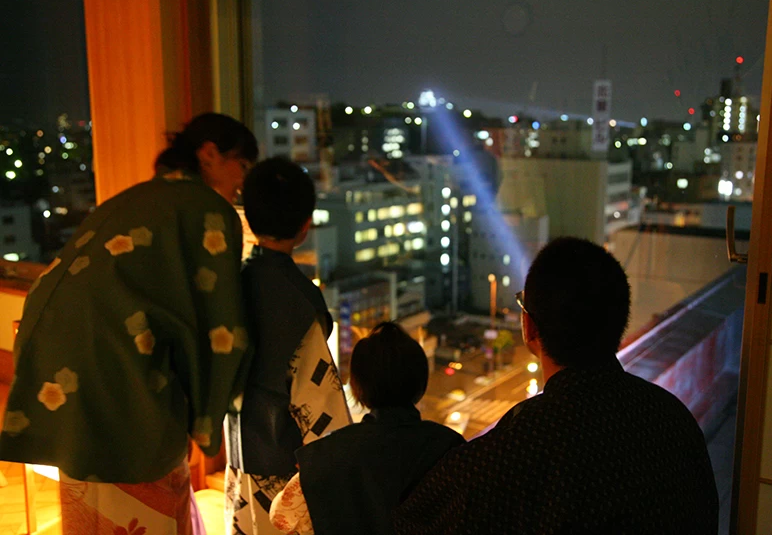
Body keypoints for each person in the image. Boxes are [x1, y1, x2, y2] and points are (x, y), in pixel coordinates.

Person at [0, 113, 258, 534]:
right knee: (142, 465)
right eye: (241, 165)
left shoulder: (135, 196)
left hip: (55, 345)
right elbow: (220, 326)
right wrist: (205, 415)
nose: (241, 181)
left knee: (86, 475)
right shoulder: (208, 208)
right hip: (116, 352)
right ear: (210, 154)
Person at [394, 237, 719, 534]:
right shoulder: (673, 420)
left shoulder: (509, 453)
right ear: (620, 322)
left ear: (529, 326)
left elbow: (410, 520)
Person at [224, 157, 351, 535]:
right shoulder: (301, 300)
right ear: (305, 226)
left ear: (249, 218)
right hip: (282, 466)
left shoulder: (229, 284)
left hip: (237, 449)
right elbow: (319, 402)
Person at [269, 322, 465, 535]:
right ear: (420, 383)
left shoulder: (326, 455)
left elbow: (280, 515)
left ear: (359, 386)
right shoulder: (450, 447)